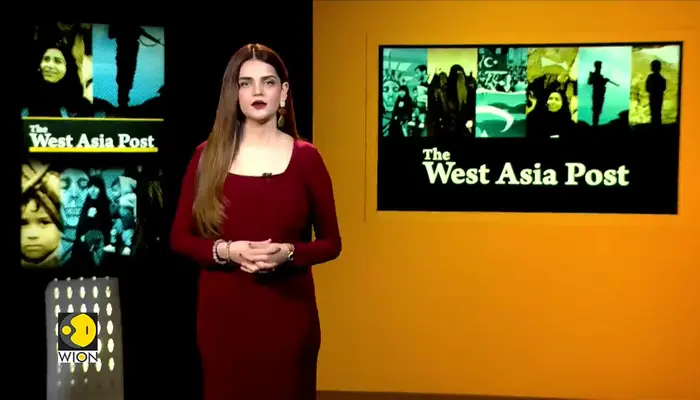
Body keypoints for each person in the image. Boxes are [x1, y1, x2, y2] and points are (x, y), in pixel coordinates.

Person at [170, 43, 342, 399]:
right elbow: (180, 238)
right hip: (223, 319)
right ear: (234, 93)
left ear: (284, 92)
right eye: (245, 83)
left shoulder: (307, 159)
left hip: (288, 316)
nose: (258, 91)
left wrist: (289, 253)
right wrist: (227, 251)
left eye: (268, 82)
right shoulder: (206, 156)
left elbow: (331, 243)